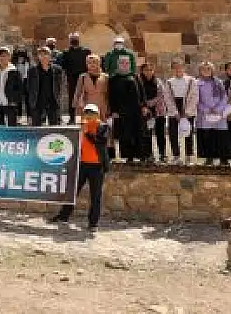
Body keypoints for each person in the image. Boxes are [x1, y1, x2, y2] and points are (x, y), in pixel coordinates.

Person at [48, 104, 109, 232]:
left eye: (91, 112)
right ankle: (63, 216)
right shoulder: (81, 126)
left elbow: (99, 141)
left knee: (95, 196)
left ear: (97, 114)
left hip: (97, 167)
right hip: (82, 164)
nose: (88, 115)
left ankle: (93, 223)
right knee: (72, 192)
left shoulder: (103, 127)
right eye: (86, 112)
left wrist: (86, 132)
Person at [195, 61, 231, 167]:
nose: (206, 71)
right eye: (204, 69)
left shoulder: (218, 82)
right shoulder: (197, 83)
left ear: (212, 70)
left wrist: (218, 108)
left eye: (208, 69)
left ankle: (223, 159)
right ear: (200, 71)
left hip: (219, 114)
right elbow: (196, 99)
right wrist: (206, 109)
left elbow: (224, 96)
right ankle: (209, 158)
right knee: (208, 136)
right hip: (204, 115)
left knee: (221, 136)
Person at [163, 58, 199, 165]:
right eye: (175, 68)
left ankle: (188, 156)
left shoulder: (191, 80)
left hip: (187, 108)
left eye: (180, 67)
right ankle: (176, 155)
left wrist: (187, 112)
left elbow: (194, 96)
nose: (178, 69)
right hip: (174, 108)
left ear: (184, 68)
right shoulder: (169, 82)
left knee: (188, 133)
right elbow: (168, 97)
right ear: (172, 69)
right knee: (173, 133)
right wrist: (175, 112)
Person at [110, 61, 147, 164]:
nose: (124, 65)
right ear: (118, 65)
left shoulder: (135, 76)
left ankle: (141, 155)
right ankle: (128, 156)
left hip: (136, 109)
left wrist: (144, 105)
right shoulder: (114, 78)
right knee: (125, 134)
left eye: (126, 63)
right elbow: (111, 95)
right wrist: (114, 110)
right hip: (122, 110)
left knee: (138, 132)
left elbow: (142, 91)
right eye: (122, 63)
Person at [140, 62, 173, 164]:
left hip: (158, 112)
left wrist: (151, 102)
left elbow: (161, 94)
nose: (148, 72)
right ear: (142, 71)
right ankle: (149, 154)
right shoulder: (139, 82)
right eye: (146, 70)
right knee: (147, 134)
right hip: (145, 112)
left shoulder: (158, 82)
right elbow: (138, 95)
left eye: (150, 70)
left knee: (160, 134)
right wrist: (145, 105)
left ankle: (162, 154)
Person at [26, 46, 66, 126]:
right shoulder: (32, 70)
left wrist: (59, 97)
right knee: (36, 127)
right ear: (38, 57)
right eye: (41, 54)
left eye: (46, 54)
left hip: (52, 101)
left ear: (50, 56)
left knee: (54, 126)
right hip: (37, 101)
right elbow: (29, 87)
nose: (44, 56)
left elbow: (61, 84)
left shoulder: (57, 69)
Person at [59, 33, 91, 124]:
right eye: (72, 39)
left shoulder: (86, 51)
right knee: (72, 98)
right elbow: (64, 65)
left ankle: (86, 117)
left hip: (84, 77)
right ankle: (72, 118)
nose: (74, 40)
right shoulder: (66, 52)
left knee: (85, 97)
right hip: (71, 78)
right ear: (70, 40)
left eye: (75, 38)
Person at [0, 46, 24, 126]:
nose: (2, 58)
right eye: (0, 55)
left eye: (4, 55)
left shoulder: (14, 71)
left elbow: (20, 89)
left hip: (10, 103)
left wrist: (15, 101)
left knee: (12, 128)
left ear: (9, 57)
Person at [11, 48, 32, 123]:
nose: (21, 58)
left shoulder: (28, 63)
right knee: (18, 101)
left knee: (28, 101)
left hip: (26, 83)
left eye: (22, 57)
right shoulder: (13, 63)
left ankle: (29, 117)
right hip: (17, 84)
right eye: (19, 57)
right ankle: (18, 117)